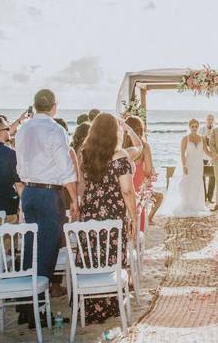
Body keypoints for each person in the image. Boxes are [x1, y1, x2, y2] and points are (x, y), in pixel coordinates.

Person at [15, 89, 78, 326]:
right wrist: (75, 200)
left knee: (30, 248)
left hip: (29, 191)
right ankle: (38, 311)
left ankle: (25, 307)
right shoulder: (55, 129)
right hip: (49, 193)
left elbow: (19, 164)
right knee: (47, 251)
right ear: (54, 106)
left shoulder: (23, 128)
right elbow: (66, 169)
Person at [74, 112, 138, 323]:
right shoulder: (120, 156)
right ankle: (111, 303)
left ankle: (91, 302)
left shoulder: (84, 153)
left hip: (90, 215)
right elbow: (127, 191)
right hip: (112, 216)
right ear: (115, 132)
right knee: (111, 258)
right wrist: (135, 219)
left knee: (91, 258)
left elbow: (82, 187)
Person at [164, 119, 210, 217]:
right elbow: (182, 154)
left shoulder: (202, 138)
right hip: (189, 165)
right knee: (187, 184)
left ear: (198, 127)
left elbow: (206, 151)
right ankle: (187, 204)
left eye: (196, 126)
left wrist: (214, 155)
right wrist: (184, 165)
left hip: (198, 165)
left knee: (197, 183)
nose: (194, 128)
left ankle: (197, 205)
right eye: (192, 126)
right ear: (189, 127)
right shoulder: (185, 139)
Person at [124, 115, 162, 224]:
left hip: (125, 183)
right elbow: (149, 170)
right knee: (139, 210)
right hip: (139, 184)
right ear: (140, 129)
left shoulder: (121, 146)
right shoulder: (144, 147)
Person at [200, 114, 216, 203]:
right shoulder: (201, 129)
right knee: (202, 176)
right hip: (203, 156)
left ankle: (210, 197)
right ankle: (203, 197)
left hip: (213, 157)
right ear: (206, 120)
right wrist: (206, 135)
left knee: (213, 177)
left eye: (212, 119)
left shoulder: (216, 130)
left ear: (214, 120)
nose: (210, 120)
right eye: (209, 119)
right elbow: (200, 142)